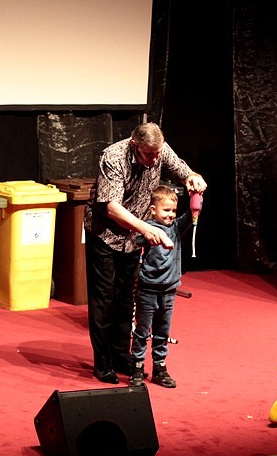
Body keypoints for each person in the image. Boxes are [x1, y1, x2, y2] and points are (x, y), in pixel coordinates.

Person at [84, 122, 207, 385]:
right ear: (134, 145)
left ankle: (120, 355)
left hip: (132, 237)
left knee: (125, 297)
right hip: (105, 234)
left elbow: (182, 170)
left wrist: (192, 177)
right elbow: (111, 207)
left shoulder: (159, 150)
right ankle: (103, 362)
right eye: (148, 155)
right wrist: (145, 228)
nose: (154, 160)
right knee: (104, 300)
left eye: (157, 154)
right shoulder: (113, 157)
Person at [129, 185, 191, 388]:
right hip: (148, 290)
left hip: (168, 291)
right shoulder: (147, 228)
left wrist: (196, 196)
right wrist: (148, 235)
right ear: (153, 209)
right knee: (142, 331)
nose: (171, 214)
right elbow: (136, 239)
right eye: (166, 210)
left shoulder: (176, 228)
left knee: (162, 331)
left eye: (173, 210)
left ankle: (159, 367)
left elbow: (192, 214)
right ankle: (137, 366)